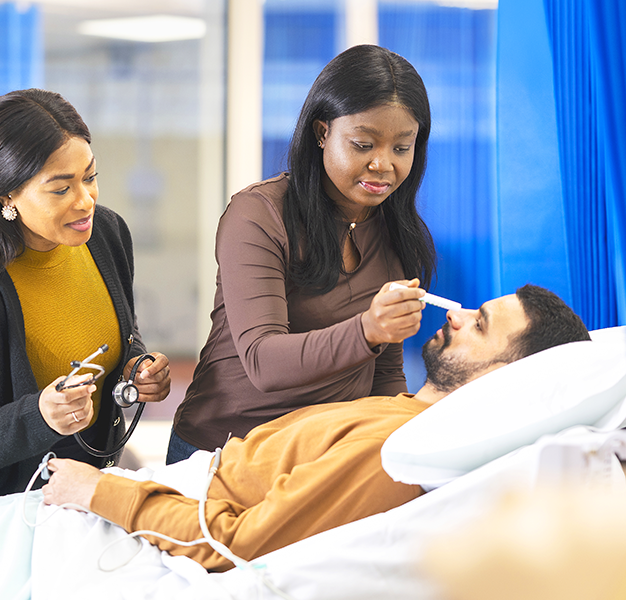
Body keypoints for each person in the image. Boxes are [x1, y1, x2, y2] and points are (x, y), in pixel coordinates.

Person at [41, 284, 592, 572]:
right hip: (170, 496)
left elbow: (236, 545)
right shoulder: (398, 412)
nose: (456, 314)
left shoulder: (398, 449)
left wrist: (97, 491)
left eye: (481, 325)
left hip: (153, 524)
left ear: (505, 379)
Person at [0, 89, 171, 499]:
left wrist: (137, 368)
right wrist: (38, 415)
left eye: (90, 177)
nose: (86, 200)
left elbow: (115, 335)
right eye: (61, 189)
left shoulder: (106, 237)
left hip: (73, 493)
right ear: (8, 195)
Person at [168, 44, 437, 463]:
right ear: (322, 132)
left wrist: (396, 447)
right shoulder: (259, 214)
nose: (384, 165)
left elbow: (383, 374)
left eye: (402, 149)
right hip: (223, 452)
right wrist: (367, 329)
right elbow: (264, 361)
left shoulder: (392, 230)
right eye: (364, 144)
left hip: (319, 456)